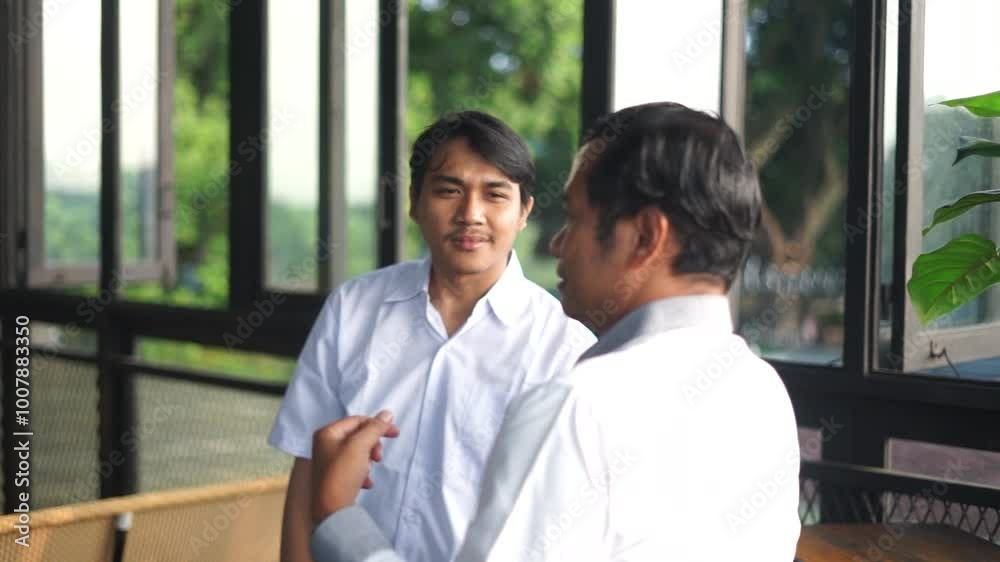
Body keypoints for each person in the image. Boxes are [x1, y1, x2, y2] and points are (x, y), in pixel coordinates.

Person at [305, 102, 802, 561]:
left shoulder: (576, 406)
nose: (558, 245)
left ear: (646, 237)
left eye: (575, 218)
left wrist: (338, 515)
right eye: (448, 189)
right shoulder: (761, 391)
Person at [268, 111, 596, 562]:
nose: (470, 215)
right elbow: (308, 470)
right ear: (414, 202)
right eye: (448, 191)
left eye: (495, 195)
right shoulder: (353, 308)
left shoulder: (566, 350)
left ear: (524, 212)